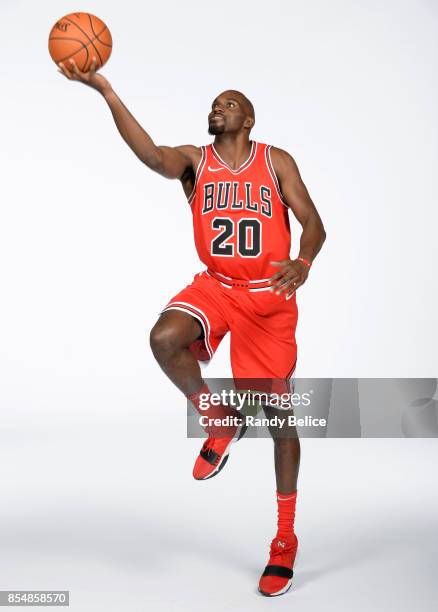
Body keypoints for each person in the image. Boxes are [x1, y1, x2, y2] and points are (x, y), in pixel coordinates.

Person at [58, 57, 326, 597]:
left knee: (278, 419)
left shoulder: (275, 162)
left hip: (267, 299)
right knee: (164, 339)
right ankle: (218, 419)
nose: (216, 108)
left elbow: (314, 222)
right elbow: (151, 153)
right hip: (217, 286)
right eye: (214, 103)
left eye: (228, 103)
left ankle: (284, 538)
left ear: (249, 120)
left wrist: (304, 261)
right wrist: (107, 92)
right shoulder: (194, 163)